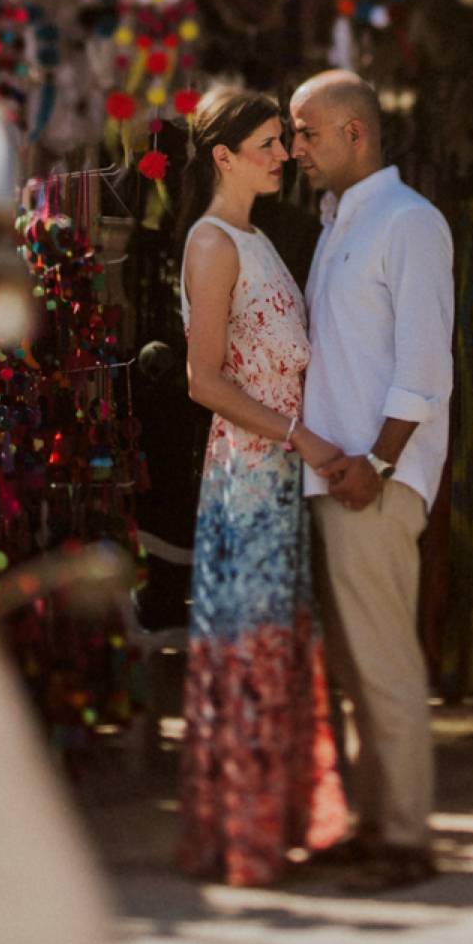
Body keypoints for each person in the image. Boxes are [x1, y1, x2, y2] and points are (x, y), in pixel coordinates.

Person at [172, 86, 354, 886]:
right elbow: (202, 381)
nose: (287, 155)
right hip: (249, 474)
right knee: (250, 649)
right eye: (270, 144)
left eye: (286, 141)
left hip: (279, 474)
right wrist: (301, 436)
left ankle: (267, 827)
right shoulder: (214, 244)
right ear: (223, 157)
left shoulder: (257, 239)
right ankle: (244, 839)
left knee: (275, 647)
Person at [287, 68, 455, 892]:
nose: (295, 150)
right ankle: (374, 822)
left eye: (307, 133)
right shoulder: (338, 224)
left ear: (356, 132)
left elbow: (426, 367)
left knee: (383, 661)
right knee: (353, 665)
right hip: (340, 476)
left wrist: (379, 463)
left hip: (376, 480)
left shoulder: (409, 222)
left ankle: (407, 838)